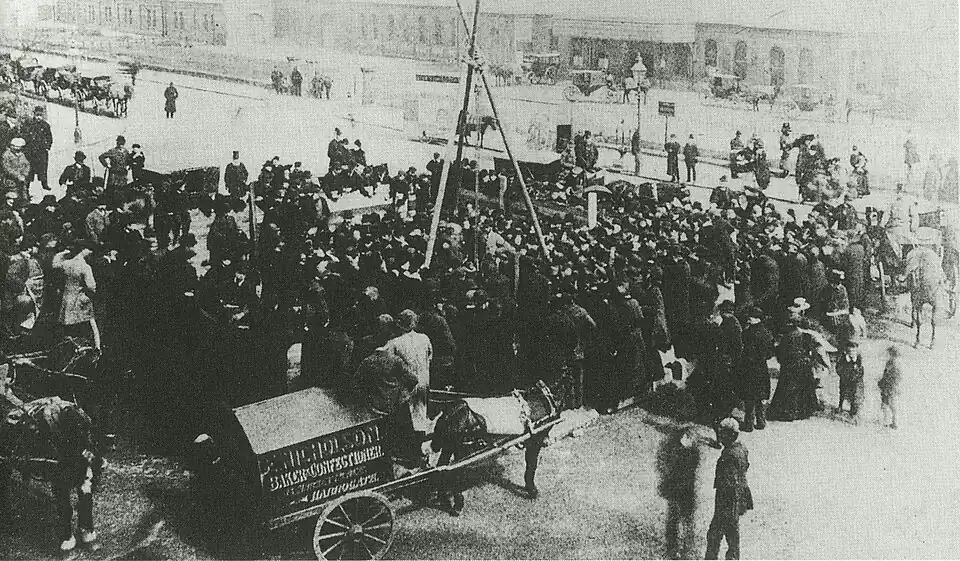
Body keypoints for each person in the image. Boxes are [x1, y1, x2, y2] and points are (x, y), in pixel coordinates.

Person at [705, 417, 753, 560]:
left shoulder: (729, 455)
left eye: (723, 433)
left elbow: (729, 483)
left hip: (727, 500)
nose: (720, 436)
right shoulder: (741, 449)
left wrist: (724, 506)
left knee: (714, 534)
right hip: (737, 497)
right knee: (732, 535)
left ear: (732, 435)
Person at [383, 310, 433, 433]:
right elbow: (430, 357)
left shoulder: (394, 343)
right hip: (423, 381)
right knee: (421, 411)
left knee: (409, 415)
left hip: (407, 384)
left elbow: (386, 361)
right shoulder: (424, 338)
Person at [657, 425, 702, 559]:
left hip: (683, 490)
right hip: (681, 490)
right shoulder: (686, 450)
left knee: (682, 519)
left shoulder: (687, 450)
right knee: (678, 519)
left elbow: (665, 466)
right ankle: (678, 548)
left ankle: (682, 548)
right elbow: (663, 466)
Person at [54, 239, 101, 349]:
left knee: (68, 327)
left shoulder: (65, 264)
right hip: (81, 299)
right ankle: (96, 349)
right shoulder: (85, 267)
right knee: (90, 326)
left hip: (67, 299)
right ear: (83, 250)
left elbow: (56, 271)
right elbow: (91, 287)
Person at [739, 307, 774, 431]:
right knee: (759, 396)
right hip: (761, 367)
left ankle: (748, 424)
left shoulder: (747, 332)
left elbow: (743, 347)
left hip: (749, 366)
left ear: (758, 319)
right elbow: (770, 353)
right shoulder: (767, 333)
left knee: (749, 396)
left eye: (752, 317)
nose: (749, 318)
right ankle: (761, 421)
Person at [23, 106, 52, 192]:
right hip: (31, 151)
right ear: (34, 114)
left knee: (43, 169)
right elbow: (24, 135)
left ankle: (44, 184)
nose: (39, 117)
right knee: (29, 169)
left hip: (41, 151)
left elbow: (49, 137)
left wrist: (47, 147)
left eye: (40, 115)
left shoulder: (45, 125)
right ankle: (26, 186)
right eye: (37, 115)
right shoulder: (29, 124)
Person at [836, 340, 864, 421]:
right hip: (845, 380)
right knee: (843, 393)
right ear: (846, 351)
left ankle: (853, 413)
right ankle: (840, 406)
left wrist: (855, 367)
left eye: (853, 351)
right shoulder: (842, 358)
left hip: (855, 381)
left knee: (855, 396)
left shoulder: (858, 358)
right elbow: (838, 368)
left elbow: (861, 371)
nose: (852, 353)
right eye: (849, 351)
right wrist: (843, 375)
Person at [1, 137, 31, 204]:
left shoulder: (21, 154)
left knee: (23, 195)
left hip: (22, 180)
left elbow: (27, 165)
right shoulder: (6, 155)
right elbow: (7, 168)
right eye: (16, 147)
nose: (18, 149)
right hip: (11, 180)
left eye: (20, 147)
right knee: (12, 195)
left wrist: (24, 174)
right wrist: (18, 176)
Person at [879, 345, 902, 429]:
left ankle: (894, 422)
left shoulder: (896, 366)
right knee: (884, 405)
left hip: (891, 388)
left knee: (892, 405)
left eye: (890, 354)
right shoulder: (889, 363)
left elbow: (897, 379)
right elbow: (885, 374)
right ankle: (886, 421)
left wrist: (890, 385)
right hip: (886, 387)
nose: (889, 356)